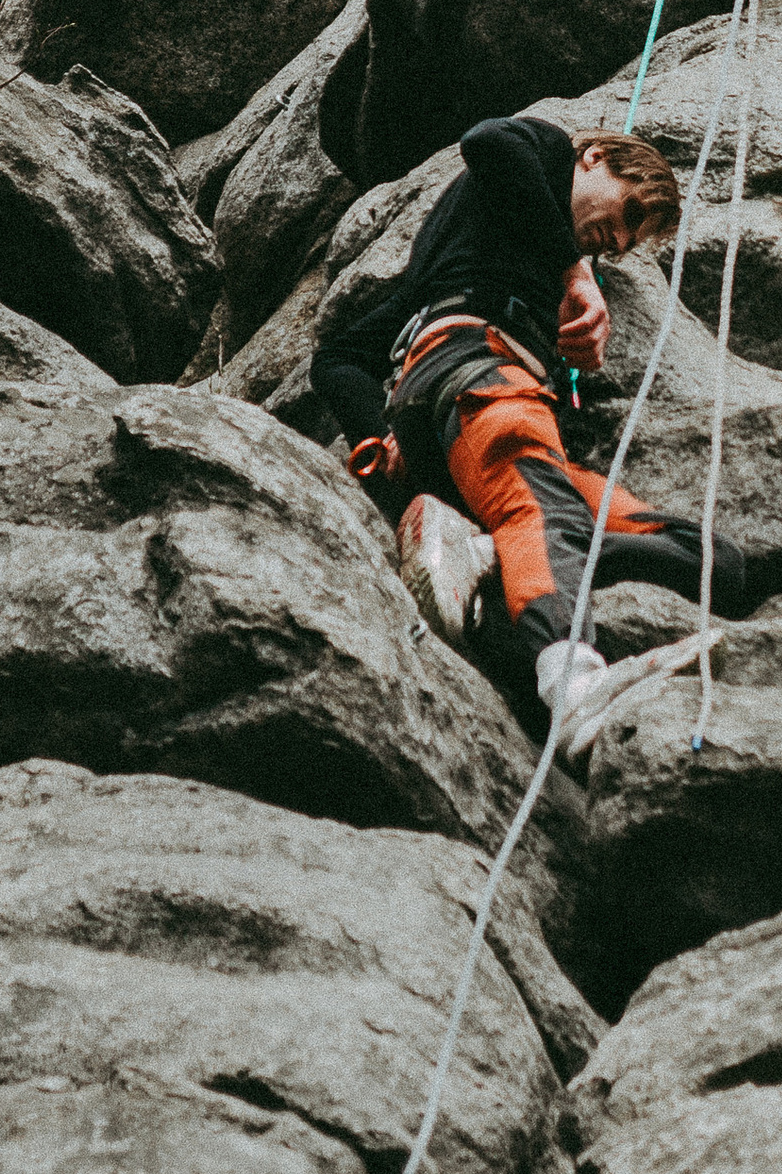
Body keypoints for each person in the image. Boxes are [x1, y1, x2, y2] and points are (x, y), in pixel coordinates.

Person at [312, 115, 753, 732]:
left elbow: (338, 357)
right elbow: (488, 142)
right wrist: (576, 272)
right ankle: (573, 684)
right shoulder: (545, 154)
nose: (612, 244)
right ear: (596, 157)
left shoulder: (457, 256)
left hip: (483, 412)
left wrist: (375, 434)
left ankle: (489, 556)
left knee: (709, 559)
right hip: (474, 376)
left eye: (621, 247)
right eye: (625, 215)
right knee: (545, 514)